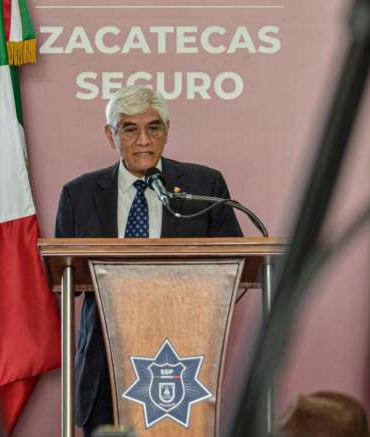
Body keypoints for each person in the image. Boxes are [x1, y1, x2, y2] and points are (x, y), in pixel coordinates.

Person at [54, 85, 243, 436]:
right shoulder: (78, 195)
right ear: (111, 135)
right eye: (130, 129)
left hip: (183, 360)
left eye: (153, 128)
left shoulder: (204, 186)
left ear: (167, 132)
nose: (144, 140)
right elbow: (63, 279)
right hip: (103, 362)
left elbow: (234, 268)